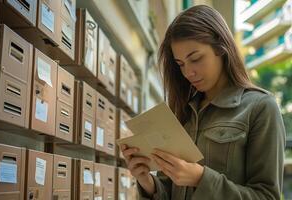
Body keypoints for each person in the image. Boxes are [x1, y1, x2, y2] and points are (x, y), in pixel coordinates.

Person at [120, 5, 286, 200]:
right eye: (180, 64)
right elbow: (170, 190)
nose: (188, 73)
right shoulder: (184, 111)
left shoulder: (260, 107)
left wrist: (201, 179)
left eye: (196, 58)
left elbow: (267, 196)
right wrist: (147, 182)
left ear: (221, 48)